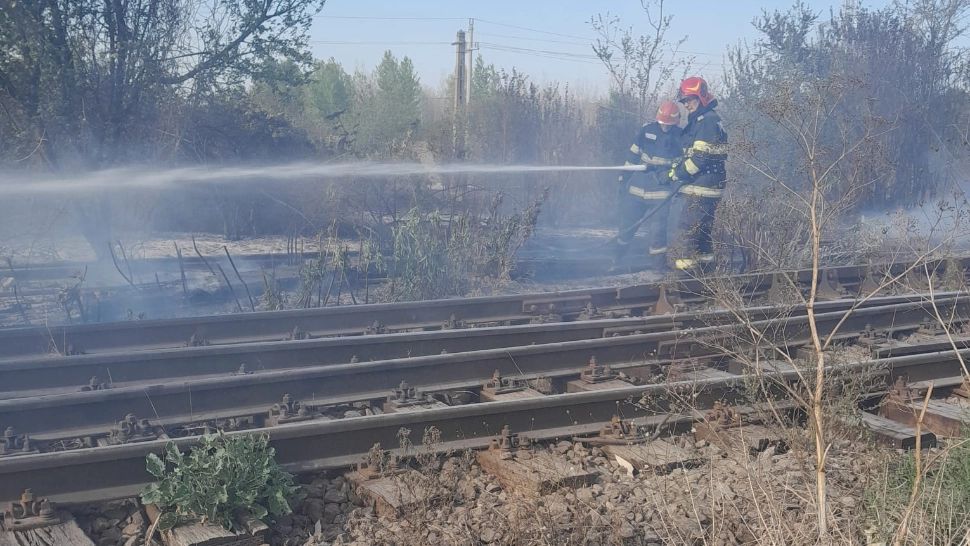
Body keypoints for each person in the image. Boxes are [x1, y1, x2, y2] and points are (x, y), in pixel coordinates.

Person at [667, 76, 728, 272]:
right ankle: (705, 274)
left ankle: (685, 279)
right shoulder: (703, 121)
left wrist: (676, 175)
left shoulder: (706, 121)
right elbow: (689, 153)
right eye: (684, 102)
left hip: (703, 186)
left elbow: (699, 159)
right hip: (706, 185)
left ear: (700, 97)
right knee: (702, 233)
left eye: (689, 100)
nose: (686, 105)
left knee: (687, 229)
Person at [612, 100, 683, 267]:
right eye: (662, 123)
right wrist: (624, 177)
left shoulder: (680, 136)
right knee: (627, 226)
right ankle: (616, 259)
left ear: (676, 122)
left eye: (668, 124)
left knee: (658, 232)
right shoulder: (646, 130)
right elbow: (632, 156)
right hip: (637, 188)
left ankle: (658, 267)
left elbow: (682, 163)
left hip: (660, 191)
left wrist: (669, 174)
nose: (665, 127)